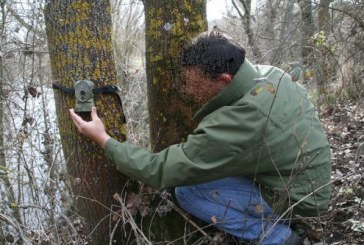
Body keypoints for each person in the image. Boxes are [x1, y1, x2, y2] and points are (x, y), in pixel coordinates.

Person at [69, 31, 331, 244]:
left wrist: (104, 139)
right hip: (304, 181)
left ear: (225, 79)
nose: (189, 89)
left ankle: (279, 237)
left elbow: (160, 169)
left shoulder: (239, 121)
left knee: (188, 191)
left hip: (299, 197)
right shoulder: (270, 74)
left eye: (196, 83)